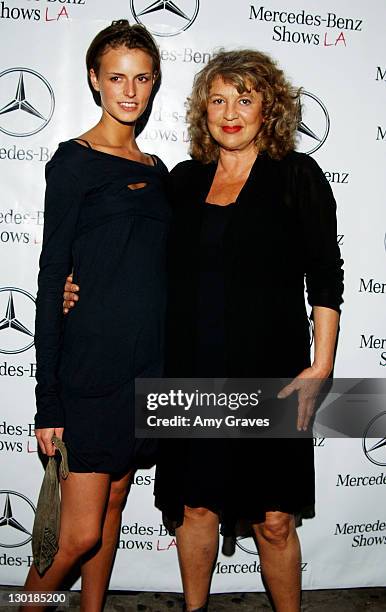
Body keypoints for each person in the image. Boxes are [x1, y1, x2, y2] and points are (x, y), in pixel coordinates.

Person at [64, 50, 343, 612]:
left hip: (272, 375)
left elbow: (326, 276)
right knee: (195, 508)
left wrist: (322, 364)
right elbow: (133, 244)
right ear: (203, 111)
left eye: (245, 99)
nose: (231, 113)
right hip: (190, 369)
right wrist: (78, 280)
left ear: (269, 109)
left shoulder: (297, 175)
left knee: (273, 519)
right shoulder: (184, 182)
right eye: (219, 100)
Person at [24, 20, 170, 612]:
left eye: (141, 78)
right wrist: (48, 398)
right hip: (92, 367)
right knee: (79, 533)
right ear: (94, 80)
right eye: (117, 78)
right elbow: (50, 273)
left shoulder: (161, 170)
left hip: (150, 367)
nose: (129, 91)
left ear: (154, 82)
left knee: (114, 508)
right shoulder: (74, 162)